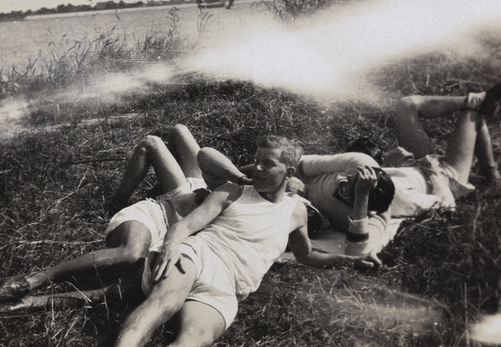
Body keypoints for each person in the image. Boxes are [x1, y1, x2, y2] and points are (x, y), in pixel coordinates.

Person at [113, 135, 378, 347]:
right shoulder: (234, 190)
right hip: (200, 255)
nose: (258, 168)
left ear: (290, 172)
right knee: (163, 303)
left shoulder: (297, 211)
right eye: (257, 161)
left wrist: (349, 260)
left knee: (195, 338)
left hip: (228, 287)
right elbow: (186, 226)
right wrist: (170, 246)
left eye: (268, 164)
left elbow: (306, 255)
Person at [0, 124, 245, 310]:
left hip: (173, 224)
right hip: (158, 212)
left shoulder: (255, 216)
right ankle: (37, 277)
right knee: (130, 253)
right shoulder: (233, 185)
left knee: (133, 268)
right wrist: (237, 178)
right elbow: (194, 146)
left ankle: (34, 302)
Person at [298, 71, 501, 257]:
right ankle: (481, 118)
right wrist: (434, 172)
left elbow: (446, 208)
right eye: (350, 187)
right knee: (472, 114)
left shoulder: (373, 184)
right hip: (445, 175)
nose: (341, 181)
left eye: (350, 183)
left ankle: (479, 105)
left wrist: (397, 166)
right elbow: (445, 205)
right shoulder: (390, 202)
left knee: (406, 105)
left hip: (419, 166)